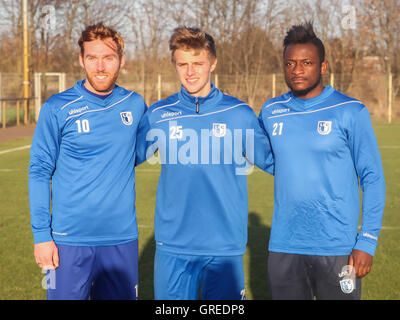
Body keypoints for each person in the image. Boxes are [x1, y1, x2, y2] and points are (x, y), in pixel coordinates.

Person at [136, 26, 274, 300]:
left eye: (198, 63)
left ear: (213, 62)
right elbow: (120, 160)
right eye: (182, 64)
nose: (190, 72)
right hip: (173, 247)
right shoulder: (158, 115)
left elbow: (278, 162)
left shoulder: (240, 115)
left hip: (224, 249)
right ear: (174, 66)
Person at [258, 22, 386, 300]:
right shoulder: (271, 111)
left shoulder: (351, 111)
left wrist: (367, 240)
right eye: (290, 63)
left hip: (337, 247)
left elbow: (373, 177)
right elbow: (269, 158)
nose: (297, 70)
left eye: (306, 63)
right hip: (284, 246)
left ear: (323, 67)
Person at [28, 22, 147, 300]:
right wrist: (41, 236)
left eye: (108, 57)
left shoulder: (134, 104)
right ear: (81, 60)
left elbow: (137, 153)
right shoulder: (58, 107)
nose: (100, 66)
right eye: (92, 58)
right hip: (67, 240)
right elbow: (38, 172)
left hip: (121, 240)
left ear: (121, 60)